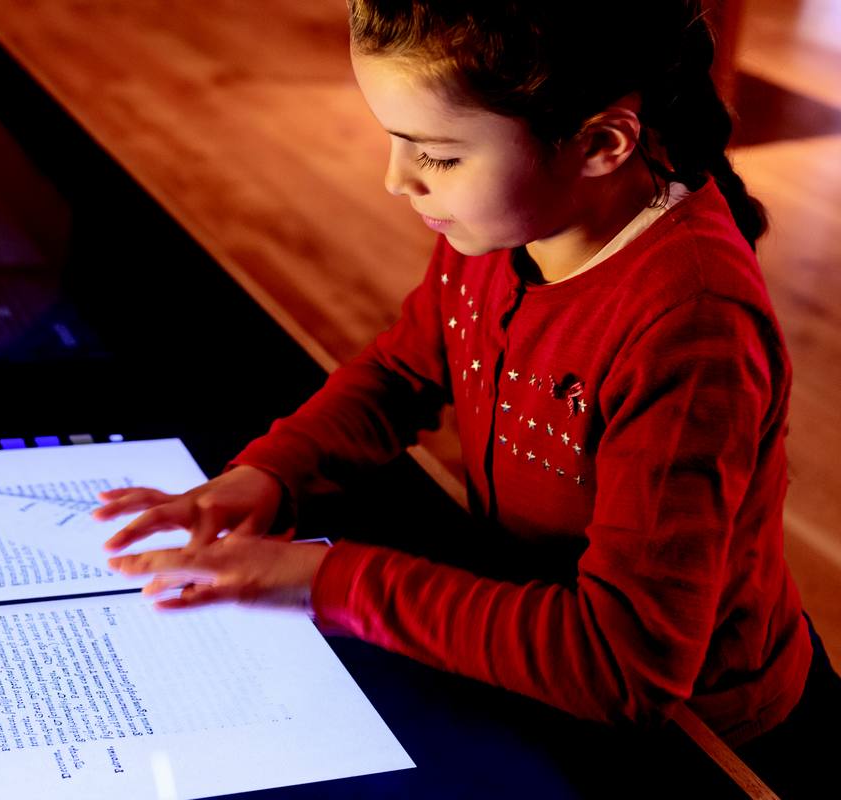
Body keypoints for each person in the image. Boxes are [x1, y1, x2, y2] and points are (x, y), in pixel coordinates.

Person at [94, 1, 839, 794]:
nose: (396, 178)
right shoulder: (511, 223)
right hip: (534, 655)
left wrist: (324, 582)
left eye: (438, 156)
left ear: (600, 143)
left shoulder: (690, 324)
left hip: (714, 744)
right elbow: (403, 372)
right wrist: (270, 475)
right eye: (395, 138)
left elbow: (625, 665)